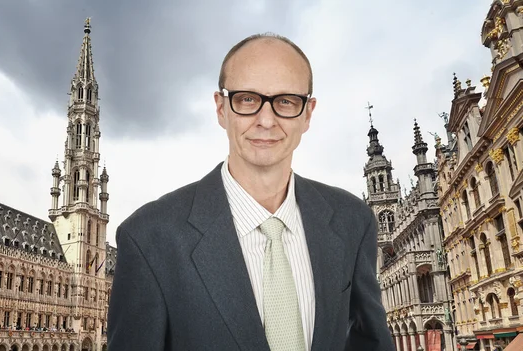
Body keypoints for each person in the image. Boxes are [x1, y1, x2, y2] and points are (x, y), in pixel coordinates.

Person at [107, 33, 394, 351]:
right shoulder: (149, 237)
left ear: (308, 113)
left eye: (286, 101)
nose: (266, 120)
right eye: (247, 99)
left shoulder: (352, 220)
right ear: (221, 108)